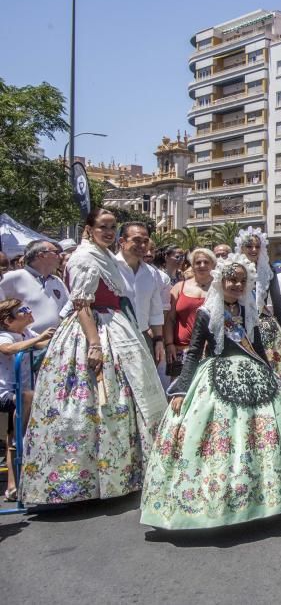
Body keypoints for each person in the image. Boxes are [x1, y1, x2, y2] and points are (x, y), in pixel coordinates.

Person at [21, 208, 167, 505]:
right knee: (91, 403)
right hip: (93, 330)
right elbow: (83, 305)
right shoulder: (85, 257)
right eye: (103, 226)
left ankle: (120, 473)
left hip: (116, 326)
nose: (109, 232)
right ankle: (82, 479)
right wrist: (94, 344)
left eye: (113, 227)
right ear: (88, 228)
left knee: (124, 401)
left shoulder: (104, 256)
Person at [141, 255, 281, 529]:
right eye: (231, 280)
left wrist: (274, 380)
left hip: (254, 379)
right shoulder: (206, 312)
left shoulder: (249, 312)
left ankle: (260, 498)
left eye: (241, 280)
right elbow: (193, 353)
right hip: (215, 377)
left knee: (258, 438)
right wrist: (181, 390)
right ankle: (216, 500)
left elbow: (259, 351)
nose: (236, 285)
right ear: (220, 281)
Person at [0, 299, 54, 500]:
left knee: (18, 430)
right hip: (6, 394)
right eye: (22, 310)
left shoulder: (26, 334)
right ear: (8, 320)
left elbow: (42, 343)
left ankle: (17, 484)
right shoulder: (5, 336)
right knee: (27, 399)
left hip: (23, 395)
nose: (29, 311)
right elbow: (8, 349)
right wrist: (38, 338)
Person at [235, 227, 281, 381]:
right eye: (249, 246)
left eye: (257, 246)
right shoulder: (232, 269)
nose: (254, 249)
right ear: (241, 247)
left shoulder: (268, 270)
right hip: (237, 325)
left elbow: (278, 305)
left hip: (265, 327)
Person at [115, 222, 166, 366]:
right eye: (137, 240)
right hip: (115, 339)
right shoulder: (109, 268)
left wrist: (158, 340)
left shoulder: (151, 273)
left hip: (143, 339)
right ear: (122, 242)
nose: (142, 246)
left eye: (145, 241)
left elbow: (155, 310)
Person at [163, 248, 215, 383]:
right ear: (192, 265)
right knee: (177, 396)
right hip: (180, 351)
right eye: (198, 262)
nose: (202, 265)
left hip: (209, 351)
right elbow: (170, 319)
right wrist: (169, 344)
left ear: (213, 265)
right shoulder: (179, 287)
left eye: (206, 262)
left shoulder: (219, 288)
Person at [0, 239, 69, 333]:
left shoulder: (57, 281)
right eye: (55, 252)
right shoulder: (14, 277)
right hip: (27, 344)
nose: (60, 256)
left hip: (53, 342)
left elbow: (67, 307)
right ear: (41, 255)